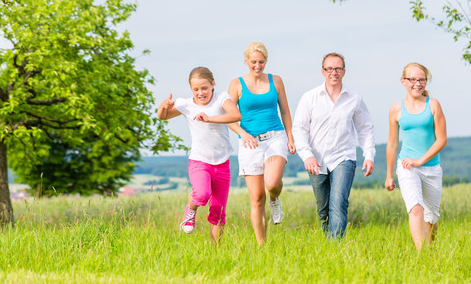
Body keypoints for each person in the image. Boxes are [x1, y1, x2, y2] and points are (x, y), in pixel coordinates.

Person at [292, 52, 375, 239]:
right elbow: (298, 129)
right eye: (329, 69)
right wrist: (307, 155)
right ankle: (329, 248)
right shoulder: (310, 97)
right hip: (316, 160)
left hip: (343, 157)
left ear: (344, 72)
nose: (334, 72)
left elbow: (365, 129)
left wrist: (369, 155)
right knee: (324, 211)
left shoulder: (354, 98)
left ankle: (335, 247)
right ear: (323, 72)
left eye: (338, 69)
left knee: (338, 203)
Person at [157, 67, 241, 244]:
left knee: (218, 212)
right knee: (202, 194)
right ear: (191, 89)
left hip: (222, 163)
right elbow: (163, 117)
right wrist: (162, 107)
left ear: (212, 84)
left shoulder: (221, 98)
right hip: (199, 161)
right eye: (196, 89)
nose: (200, 93)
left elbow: (235, 115)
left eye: (204, 88)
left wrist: (209, 118)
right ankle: (191, 210)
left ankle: (215, 253)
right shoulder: (186, 104)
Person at [228, 42, 296, 246]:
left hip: (275, 137)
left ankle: (275, 200)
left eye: (261, 61)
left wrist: (290, 137)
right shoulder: (237, 84)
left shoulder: (276, 81)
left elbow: (285, 111)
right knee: (257, 198)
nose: (257, 66)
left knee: (272, 184)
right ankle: (262, 246)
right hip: (249, 143)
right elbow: (229, 117)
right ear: (246, 61)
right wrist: (243, 134)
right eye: (253, 62)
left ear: (266, 61)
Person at [385, 63, 447, 250]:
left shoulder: (433, 105)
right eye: (413, 79)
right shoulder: (395, 109)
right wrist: (389, 175)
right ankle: (422, 255)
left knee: (432, 217)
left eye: (421, 80)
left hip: (432, 168)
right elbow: (392, 144)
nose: (417, 84)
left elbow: (441, 139)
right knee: (415, 207)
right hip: (407, 166)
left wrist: (421, 160)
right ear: (403, 81)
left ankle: (430, 250)